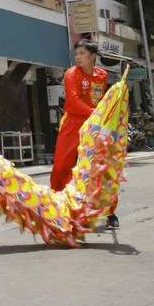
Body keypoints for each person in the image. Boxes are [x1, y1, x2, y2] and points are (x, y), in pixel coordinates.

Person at [50, 39, 117, 229]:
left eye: (82, 54)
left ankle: (108, 212)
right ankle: (57, 206)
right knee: (61, 166)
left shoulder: (102, 75)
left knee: (101, 166)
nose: (78, 57)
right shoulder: (71, 74)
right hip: (74, 124)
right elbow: (72, 102)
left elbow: (102, 100)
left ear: (93, 56)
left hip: (95, 126)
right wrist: (96, 114)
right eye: (77, 54)